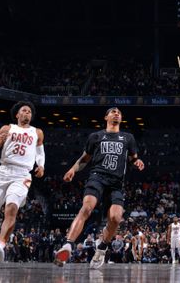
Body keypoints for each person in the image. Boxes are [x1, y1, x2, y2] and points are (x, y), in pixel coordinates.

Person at [54, 107, 144, 269]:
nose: (116, 113)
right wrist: (72, 169)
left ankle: (102, 248)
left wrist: (137, 162)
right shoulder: (96, 136)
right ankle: (67, 245)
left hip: (116, 183)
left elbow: (133, 158)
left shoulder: (128, 138)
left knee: (116, 218)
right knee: (87, 208)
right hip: (97, 177)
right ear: (106, 117)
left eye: (119, 112)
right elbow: (84, 158)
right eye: (113, 112)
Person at [0, 101, 45, 268]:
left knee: (11, 208)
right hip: (3, 172)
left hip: (22, 175)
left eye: (29, 111)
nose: (27, 113)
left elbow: (40, 152)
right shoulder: (7, 128)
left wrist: (41, 165)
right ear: (17, 115)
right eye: (23, 111)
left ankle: (0, 247)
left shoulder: (37, 132)